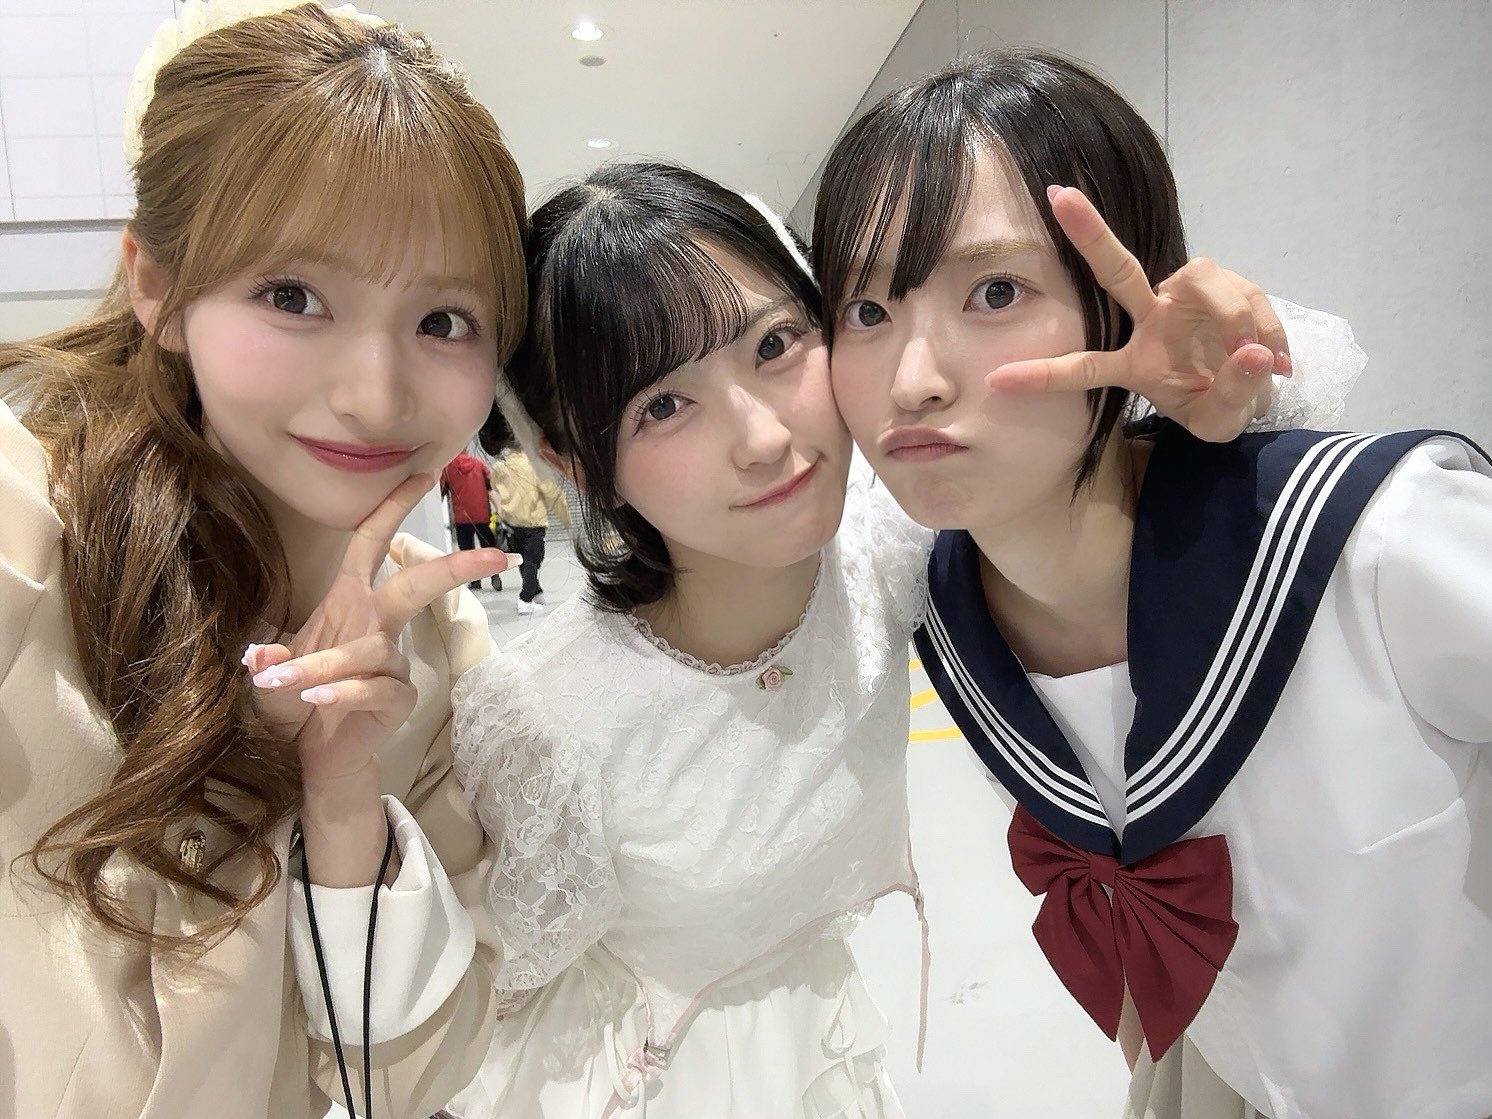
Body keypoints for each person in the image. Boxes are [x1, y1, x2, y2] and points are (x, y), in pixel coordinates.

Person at [274, 154, 1357, 1116]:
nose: (762, 437)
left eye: (776, 344)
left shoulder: (886, 544)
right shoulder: (546, 714)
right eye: (662, 407)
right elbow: (453, 1021)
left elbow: (1160, 437)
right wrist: (338, 783)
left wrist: (1222, 369)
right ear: (571, 463)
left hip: (820, 1049)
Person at [816, 48, 1491, 1119]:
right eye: (863, 310)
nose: (912, 379)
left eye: (995, 290)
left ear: (1130, 303)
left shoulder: (1374, 543)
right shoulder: (934, 603)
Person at [0, 3, 528, 1116]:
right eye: (293, 296)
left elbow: (404, 1083)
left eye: (444, 321)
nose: (375, 395)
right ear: (156, 286)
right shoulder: (21, 534)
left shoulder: (435, 651)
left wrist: (342, 798)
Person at [485, 426, 570, 614]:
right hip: (532, 522)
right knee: (533, 561)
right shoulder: (534, 465)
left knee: (524, 560)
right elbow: (552, 492)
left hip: (510, 523)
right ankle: (525, 599)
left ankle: (536, 592)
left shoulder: (499, 467)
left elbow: (494, 490)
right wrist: (564, 516)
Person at [443, 444, 503, 591]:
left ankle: (475, 581)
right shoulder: (478, 464)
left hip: (462, 517)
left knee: (468, 552)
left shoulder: (448, 469)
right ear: (466, 449)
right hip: (483, 515)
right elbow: (490, 488)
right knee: (488, 547)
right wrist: (499, 510)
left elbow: (442, 491)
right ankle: (494, 572)